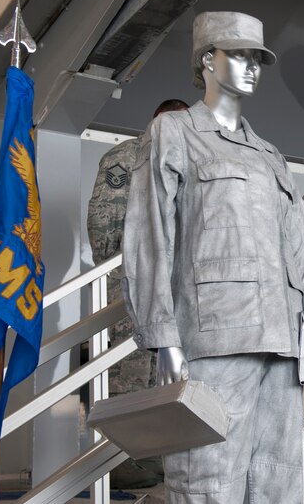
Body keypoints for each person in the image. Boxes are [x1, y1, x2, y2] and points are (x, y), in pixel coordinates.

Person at [122, 11, 304, 503]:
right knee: (207, 479)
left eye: (257, 58)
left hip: (280, 342)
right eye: (239, 54)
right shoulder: (173, 133)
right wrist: (162, 337)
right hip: (213, 337)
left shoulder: (270, 155)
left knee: (277, 480)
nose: (252, 67)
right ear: (207, 59)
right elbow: (149, 236)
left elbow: (301, 250)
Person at [86, 97, 188, 488]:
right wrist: (121, 274)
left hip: (175, 289)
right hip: (132, 284)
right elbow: (103, 221)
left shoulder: (185, 160)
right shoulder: (126, 157)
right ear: (155, 121)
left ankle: (158, 455)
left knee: (168, 375)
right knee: (129, 371)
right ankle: (120, 461)